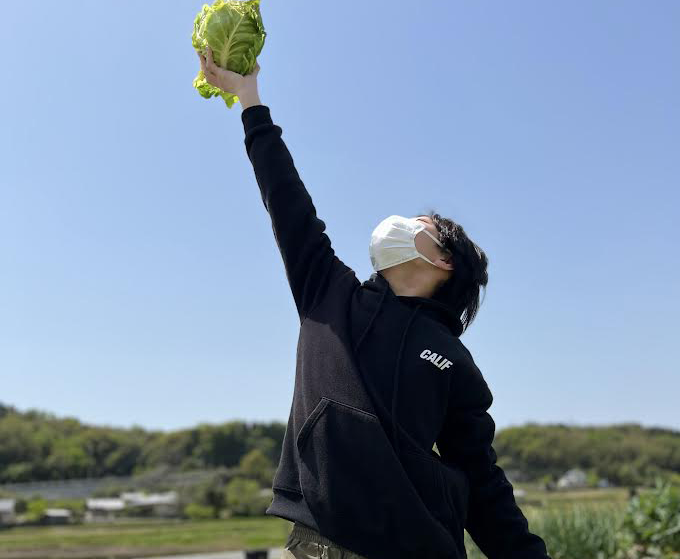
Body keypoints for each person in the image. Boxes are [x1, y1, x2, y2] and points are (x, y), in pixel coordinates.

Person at [198, 47, 552, 559]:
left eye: (421, 227)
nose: (404, 226)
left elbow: (483, 482)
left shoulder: (453, 360)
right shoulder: (328, 292)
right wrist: (249, 98)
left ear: (445, 261)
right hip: (317, 544)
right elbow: (286, 199)